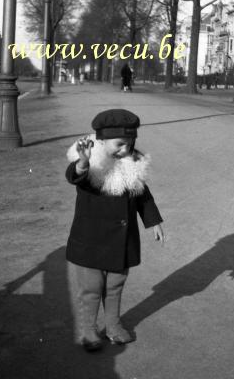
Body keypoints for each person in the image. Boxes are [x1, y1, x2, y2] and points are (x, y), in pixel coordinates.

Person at [65, 109, 164, 352]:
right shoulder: (92, 167)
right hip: (91, 241)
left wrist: (154, 222)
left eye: (129, 144)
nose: (125, 149)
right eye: (119, 144)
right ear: (101, 141)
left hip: (121, 242)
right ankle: (88, 330)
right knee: (90, 289)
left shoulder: (132, 167)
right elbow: (76, 178)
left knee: (115, 286)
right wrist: (82, 162)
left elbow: (143, 197)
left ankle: (113, 325)